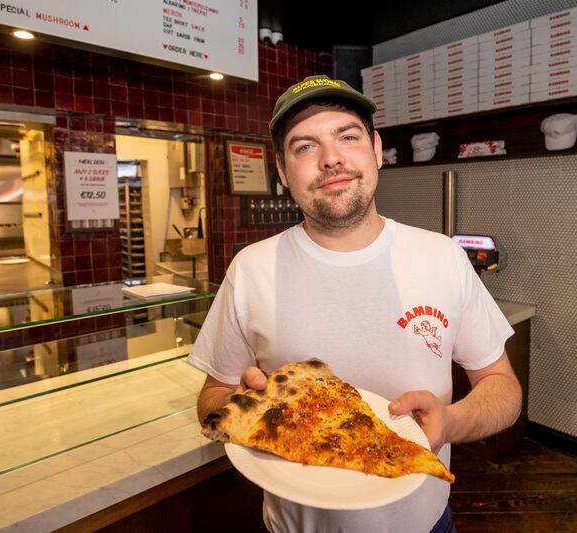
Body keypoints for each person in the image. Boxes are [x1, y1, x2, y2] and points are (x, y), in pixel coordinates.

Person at [188, 75, 522, 533]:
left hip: (425, 524)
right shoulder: (251, 268)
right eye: (305, 147)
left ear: (376, 149)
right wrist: (239, 403)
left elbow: (502, 387)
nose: (331, 159)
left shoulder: (443, 258)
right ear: (283, 173)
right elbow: (212, 396)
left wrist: (452, 421)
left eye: (347, 136)